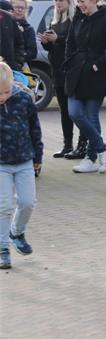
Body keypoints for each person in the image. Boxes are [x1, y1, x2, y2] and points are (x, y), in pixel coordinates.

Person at [64, 0, 106, 174]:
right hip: (75, 73)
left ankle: (90, 158)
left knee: (91, 116)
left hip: (95, 74)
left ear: (94, 0)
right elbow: (70, 43)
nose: (80, 5)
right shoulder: (77, 17)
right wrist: (69, 63)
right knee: (74, 113)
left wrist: (98, 64)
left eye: (82, 1)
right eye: (77, 2)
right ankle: (102, 149)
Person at [0, 61, 42, 270]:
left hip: (24, 160)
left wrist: (38, 156)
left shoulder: (24, 99)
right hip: (1, 164)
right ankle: (3, 249)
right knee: (4, 206)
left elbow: (35, 128)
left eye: (6, 92)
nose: (2, 97)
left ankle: (16, 232)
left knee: (28, 202)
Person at [39, 0, 83, 159]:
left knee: (76, 111)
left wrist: (58, 39)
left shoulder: (75, 18)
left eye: (60, 0)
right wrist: (46, 42)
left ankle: (82, 145)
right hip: (57, 69)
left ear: (69, 0)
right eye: (55, 0)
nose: (57, 4)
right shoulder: (55, 19)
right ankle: (67, 145)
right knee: (64, 110)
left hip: (71, 69)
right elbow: (53, 47)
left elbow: (76, 44)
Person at [9, 0, 37, 67]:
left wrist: (17, 58)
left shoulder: (28, 29)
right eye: (17, 7)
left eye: (22, 8)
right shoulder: (4, 26)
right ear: (11, 8)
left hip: (21, 67)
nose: (20, 10)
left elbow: (33, 52)